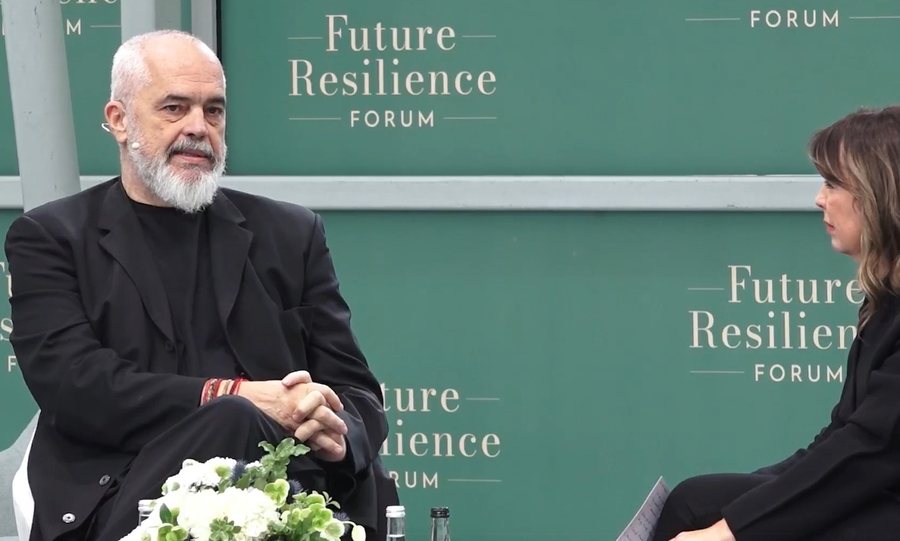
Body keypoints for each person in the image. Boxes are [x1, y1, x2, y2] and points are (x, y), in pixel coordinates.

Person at [5, 30, 397, 541]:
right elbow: (77, 387)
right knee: (232, 417)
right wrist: (232, 395)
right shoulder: (51, 238)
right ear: (119, 120)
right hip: (125, 492)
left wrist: (337, 436)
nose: (198, 127)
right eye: (174, 108)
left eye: (213, 111)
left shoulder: (290, 234)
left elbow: (356, 389)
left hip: (293, 487)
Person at [652, 106, 900, 541]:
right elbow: (843, 433)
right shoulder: (884, 302)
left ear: (878, 193)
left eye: (833, 184)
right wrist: (754, 498)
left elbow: (870, 450)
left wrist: (728, 531)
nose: (819, 199)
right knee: (697, 500)